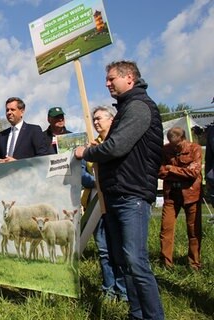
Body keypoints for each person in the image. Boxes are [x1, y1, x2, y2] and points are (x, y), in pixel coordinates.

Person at [74, 60, 164, 319]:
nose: (107, 83)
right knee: (125, 262)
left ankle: (153, 316)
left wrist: (87, 152)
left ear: (129, 79)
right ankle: (136, 314)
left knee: (136, 262)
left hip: (131, 194)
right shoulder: (128, 107)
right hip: (117, 192)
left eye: (112, 78)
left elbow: (115, 147)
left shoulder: (138, 107)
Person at [80, 106, 127, 302]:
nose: (96, 122)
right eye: (94, 119)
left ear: (111, 119)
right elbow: (83, 175)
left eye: (100, 118)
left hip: (116, 199)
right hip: (95, 202)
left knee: (121, 248)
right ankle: (108, 288)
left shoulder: (119, 142)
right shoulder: (91, 146)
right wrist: (95, 181)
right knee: (103, 249)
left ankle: (123, 290)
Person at [158, 127, 202, 270]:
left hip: (191, 195)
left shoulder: (195, 149)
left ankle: (194, 264)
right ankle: (166, 264)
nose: (174, 147)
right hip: (171, 195)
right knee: (166, 229)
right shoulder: (165, 150)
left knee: (193, 230)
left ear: (183, 138)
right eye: (171, 144)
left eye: (177, 144)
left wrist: (171, 169)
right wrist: (180, 172)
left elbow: (194, 172)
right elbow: (159, 171)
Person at [0, 97, 51, 163]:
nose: (9, 112)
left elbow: (43, 156)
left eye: (12, 109)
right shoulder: (2, 135)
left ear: (22, 112)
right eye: (7, 110)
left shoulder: (33, 131)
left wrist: (19, 163)